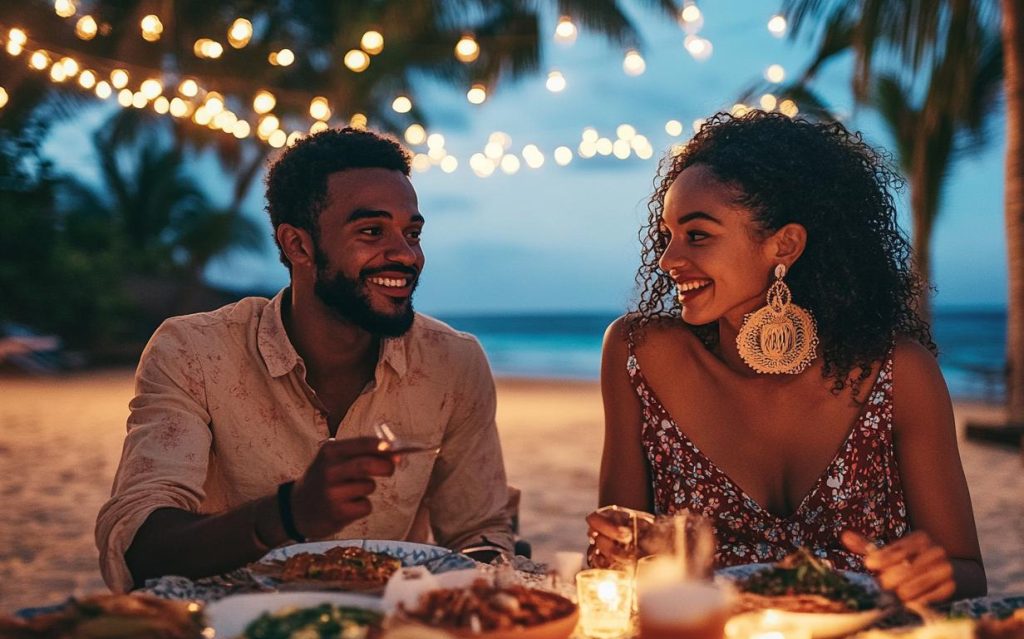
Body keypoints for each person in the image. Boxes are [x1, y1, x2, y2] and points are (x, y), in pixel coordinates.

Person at [587, 111, 986, 603]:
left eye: (697, 235)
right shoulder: (638, 355)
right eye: (667, 234)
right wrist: (621, 544)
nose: (668, 260)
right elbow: (616, 557)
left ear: (785, 245)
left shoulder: (899, 372)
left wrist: (932, 573)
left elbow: (967, 572)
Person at [96, 128, 513, 592]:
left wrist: (488, 568)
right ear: (298, 246)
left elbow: (480, 532)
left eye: (411, 233)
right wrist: (288, 513)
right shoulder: (194, 352)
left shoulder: (452, 363)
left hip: (385, 634)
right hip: (231, 636)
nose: (405, 254)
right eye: (372, 231)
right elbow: (138, 548)